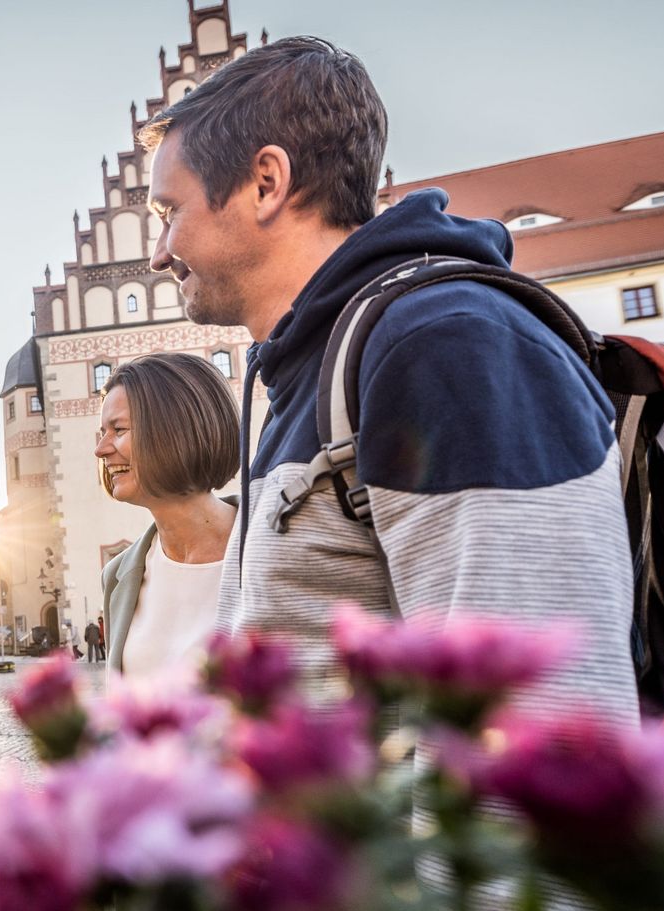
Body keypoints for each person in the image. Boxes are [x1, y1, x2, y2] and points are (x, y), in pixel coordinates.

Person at [138, 37, 636, 719]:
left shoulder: (448, 344)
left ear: (265, 183)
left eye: (170, 212)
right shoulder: (316, 365)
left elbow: (540, 727)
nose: (159, 253)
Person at [96, 353, 239, 677]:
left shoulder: (274, 547)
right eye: (101, 432)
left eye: (118, 430)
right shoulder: (118, 575)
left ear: (174, 431)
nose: (101, 449)